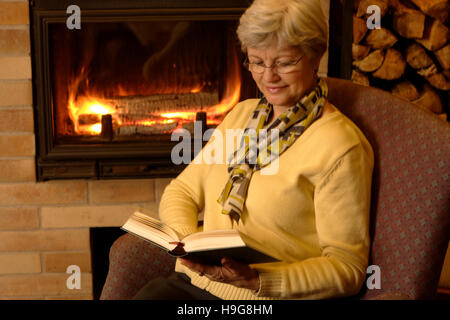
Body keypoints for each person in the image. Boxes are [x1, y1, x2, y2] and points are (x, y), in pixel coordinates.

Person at [134, 0, 374, 300]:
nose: (268, 77)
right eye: (257, 62)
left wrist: (258, 280)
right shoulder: (241, 115)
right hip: (197, 285)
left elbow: (346, 268)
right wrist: (187, 243)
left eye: (285, 62)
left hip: (265, 299)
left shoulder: (340, 146)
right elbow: (182, 191)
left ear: (317, 55)